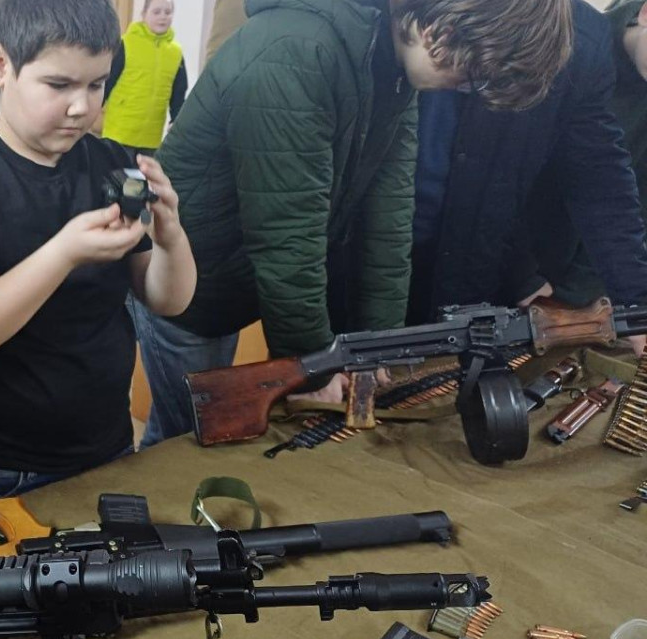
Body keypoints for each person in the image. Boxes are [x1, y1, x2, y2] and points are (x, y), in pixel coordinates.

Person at [133, 0, 575, 449]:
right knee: (182, 442)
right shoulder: (296, 50)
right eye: (471, 75)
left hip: (236, 278)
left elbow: (389, 219)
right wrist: (313, 367)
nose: (463, 88)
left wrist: (378, 348)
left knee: (207, 434)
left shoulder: (392, 67)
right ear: (441, 29)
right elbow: (289, 237)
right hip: (186, 282)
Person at [0, 0, 197, 510]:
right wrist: (62, 253)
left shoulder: (110, 162)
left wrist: (171, 237)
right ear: (1, 65)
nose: (81, 107)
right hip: (0, 468)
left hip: (108, 445)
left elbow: (167, 300)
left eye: (96, 84)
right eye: (59, 85)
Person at [476, 0, 647, 358]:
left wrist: (632, 303)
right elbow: (494, 170)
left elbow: (613, 195)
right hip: (504, 270)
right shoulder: (570, 42)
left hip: (589, 297)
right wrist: (522, 275)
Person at [102, 0, 187, 157]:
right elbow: (107, 81)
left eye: (168, 12)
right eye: (156, 12)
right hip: (120, 133)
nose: (163, 17)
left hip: (151, 138)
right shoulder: (126, 44)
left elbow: (178, 92)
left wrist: (176, 119)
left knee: (143, 173)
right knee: (114, 173)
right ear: (143, 14)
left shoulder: (176, 53)